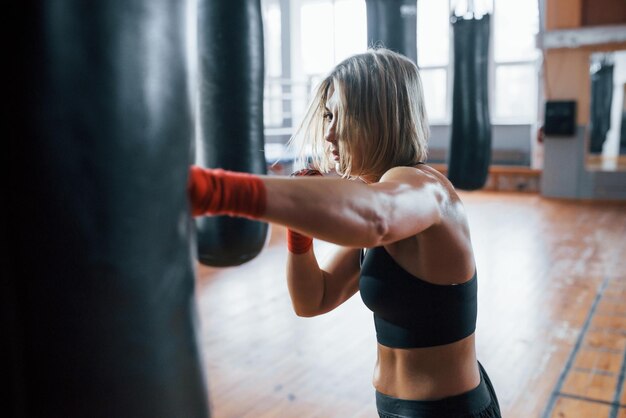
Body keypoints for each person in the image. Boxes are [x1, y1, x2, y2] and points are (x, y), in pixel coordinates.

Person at [188, 47, 501, 418]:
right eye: (328, 117)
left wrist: (217, 191)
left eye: (342, 117)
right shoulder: (381, 201)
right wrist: (299, 234)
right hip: (397, 409)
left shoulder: (423, 188)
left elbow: (377, 218)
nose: (330, 134)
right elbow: (313, 300)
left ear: (378, 117)